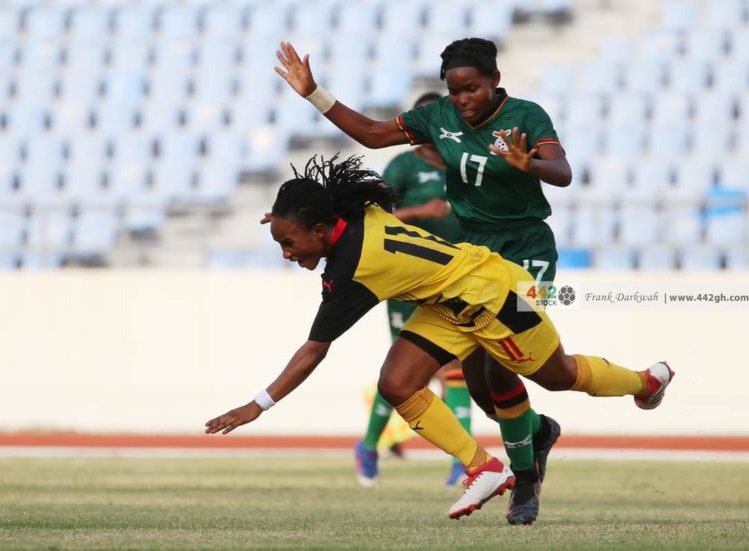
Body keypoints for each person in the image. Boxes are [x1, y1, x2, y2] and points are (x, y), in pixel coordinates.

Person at [205, 155, 674, 524]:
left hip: (497, 294)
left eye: (289, 243)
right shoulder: (351, 213)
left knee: (557, 375)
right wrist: (288, 217)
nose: (287, 253)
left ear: (322, 231)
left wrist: (258, 405)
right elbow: (332, 204)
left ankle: (644, 383)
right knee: (397, 382)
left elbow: (315, 349)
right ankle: (483, 467)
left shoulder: (351, 269)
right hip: (449, 304)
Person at [274, 37, 569, 524]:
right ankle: (536, 435)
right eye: (453, 92)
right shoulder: (438, 120)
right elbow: (370, 133)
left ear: (495, 81)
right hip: (472, 259)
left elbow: (563, 171)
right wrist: (314, 93)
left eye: (470, 88)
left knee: (506, 365)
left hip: (528, 253)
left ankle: (525, 485)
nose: (460, 99)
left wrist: (530, 164)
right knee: (478, 386)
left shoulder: (526, 115)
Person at [354, 91, 472, 488]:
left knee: (457, 369)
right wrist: (421, 212)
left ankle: (462, 457)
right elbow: (376, 219)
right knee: (409, 374)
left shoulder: (461, 161)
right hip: (408, 279)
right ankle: (369, 446)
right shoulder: (403, 166)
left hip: (454, 277)